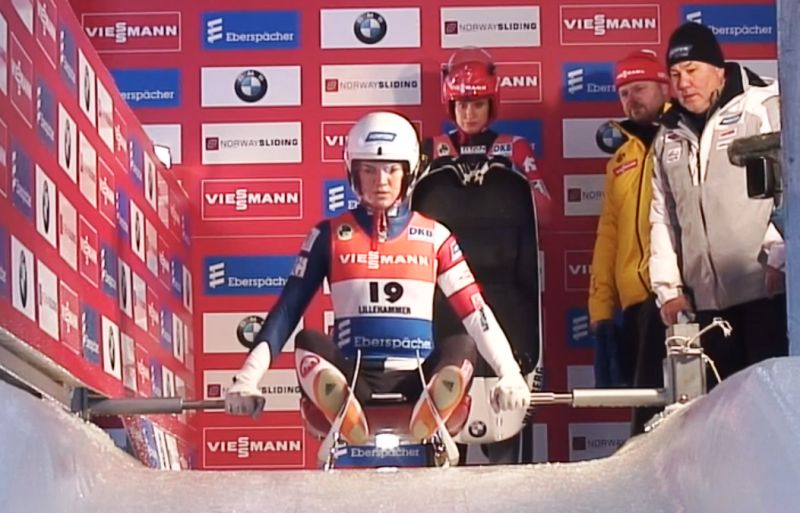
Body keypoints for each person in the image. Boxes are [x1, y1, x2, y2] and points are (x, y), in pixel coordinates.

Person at [224, 111, 531, 446]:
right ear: (352, 173)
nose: (380, 181)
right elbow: (287, 312)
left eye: (391, 169)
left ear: (409, 172)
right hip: (354, 376)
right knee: (308, 342)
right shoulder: (328, 235)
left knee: (463, 345)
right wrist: (247, 379)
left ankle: (429, 407)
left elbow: (475, 312)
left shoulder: (436, 236)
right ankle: (346, 408)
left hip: (418, 377)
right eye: (369, 170)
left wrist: (510, 374)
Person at [650, 22, 787, 387]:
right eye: (675, 75)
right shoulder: (668, 134)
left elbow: (790, 184)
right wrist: (668, 290)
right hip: (707, 306)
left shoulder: (763, 106)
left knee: (772, 401)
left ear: (719, 70)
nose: (684, 83)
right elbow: (663, 217)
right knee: (722, 410)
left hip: (766, 290)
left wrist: (780, 254)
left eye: (692, 70)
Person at [422, 46, 553, 227]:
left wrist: (512, 175)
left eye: (478, 105)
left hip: (501, 243)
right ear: (452, 107)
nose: (469, 114)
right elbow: (408, 212)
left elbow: (545, 215)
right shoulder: (432, 148)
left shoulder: (515, 147)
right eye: (462, 105)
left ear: (491, 106)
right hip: (445, 243)